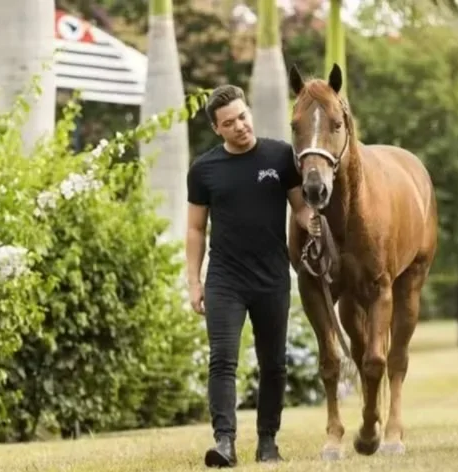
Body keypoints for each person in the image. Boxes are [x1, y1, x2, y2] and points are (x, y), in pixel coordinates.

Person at [185, 84, 316, 468]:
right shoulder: (204, 170)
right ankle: (224, 443)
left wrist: (315, 223)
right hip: (225, 279)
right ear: (217, 129)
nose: (240, 126)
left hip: (272, 278)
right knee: (222, 360)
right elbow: (195, 229)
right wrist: (194, 281)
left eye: (243, 116)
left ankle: (267, 443)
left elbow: (301, 210)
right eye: (230, 122)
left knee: (273, 362)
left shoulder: (280, 156)